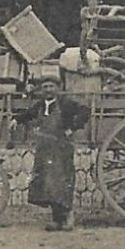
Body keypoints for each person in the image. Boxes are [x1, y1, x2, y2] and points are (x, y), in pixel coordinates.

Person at [17, 72, 91, 230]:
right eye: (45, 87)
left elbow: (85, 111)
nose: (48, 90)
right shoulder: (41, 105)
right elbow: (28, 114)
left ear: (58, 88)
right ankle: (56, 220)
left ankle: (69, 217)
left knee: (63, 181)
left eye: (51, 87)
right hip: (45, 150)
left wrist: (72, 127)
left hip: (62, 148)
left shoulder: (66, 103)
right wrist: (16, 119)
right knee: (48, 184)